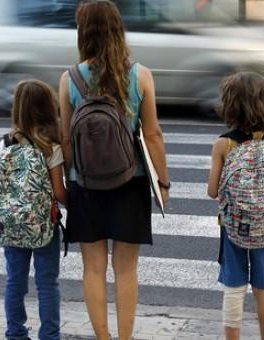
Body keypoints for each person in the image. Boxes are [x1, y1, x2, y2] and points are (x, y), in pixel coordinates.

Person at [58, 1, 170, 339]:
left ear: (83, 34)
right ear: (118, 31)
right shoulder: (140, 75)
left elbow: (65, 139)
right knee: (126, 269)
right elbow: (152, 135)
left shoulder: (69, 79)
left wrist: (69, 182)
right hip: (130, 181)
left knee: (93, 268)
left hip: (85, 184)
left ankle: (103, 337)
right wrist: (162, 182)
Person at [207, 71, 264, 340]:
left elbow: (212, 191)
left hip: (234, 227)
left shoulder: (224, 143)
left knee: (234, 286)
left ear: (230, 106)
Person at [0, 79, 66, 340]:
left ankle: (15, 333)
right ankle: (49, 335)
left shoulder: (6, 142)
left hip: (14, 223)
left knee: (15, 281)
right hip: (43, 225)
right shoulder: (51, 145)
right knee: (47, 283)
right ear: (49, 108)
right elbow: (59, 192)